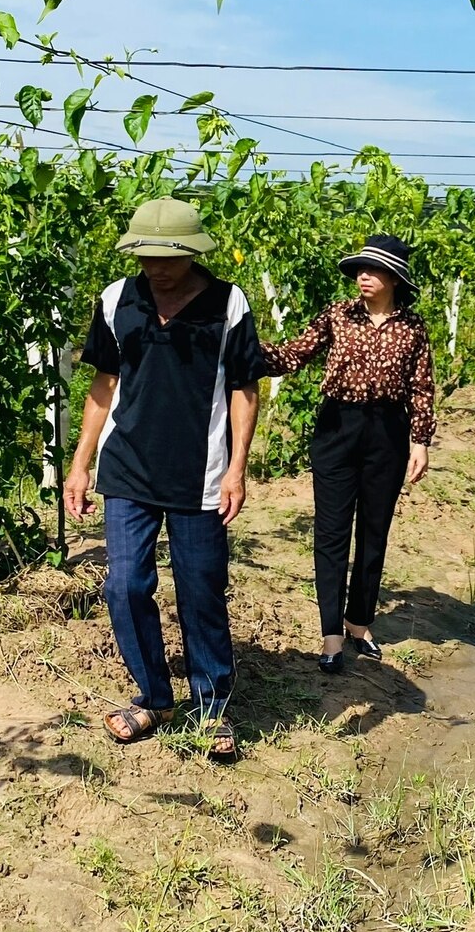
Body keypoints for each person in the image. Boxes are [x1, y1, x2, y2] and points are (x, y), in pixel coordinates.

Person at [64, 197, 264, 755]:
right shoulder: (116, 300)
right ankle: (153, 695)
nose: (157, 267)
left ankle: (212, 708)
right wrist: (80, 464)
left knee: (201, 590)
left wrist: (237, 469)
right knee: (124, 586)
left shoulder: (227, 304)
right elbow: (103, 386)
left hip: (201, 473)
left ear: (193, 253)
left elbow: (245, 388)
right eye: (147, 256)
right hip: (127, 467)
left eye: (169, 257)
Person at [264, 234, 435, 673]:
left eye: (372, 269)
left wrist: (420, 441)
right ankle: (331, 634)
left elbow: (421, 388)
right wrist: (243, 344)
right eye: (359, 268)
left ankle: (359, 623)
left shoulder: (413, 328)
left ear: (394, 277)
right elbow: (292, 355)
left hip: (388, 433)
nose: (363, 275)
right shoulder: (337, 315)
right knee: (332, 532)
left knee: (374, 532)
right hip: (337, 428)